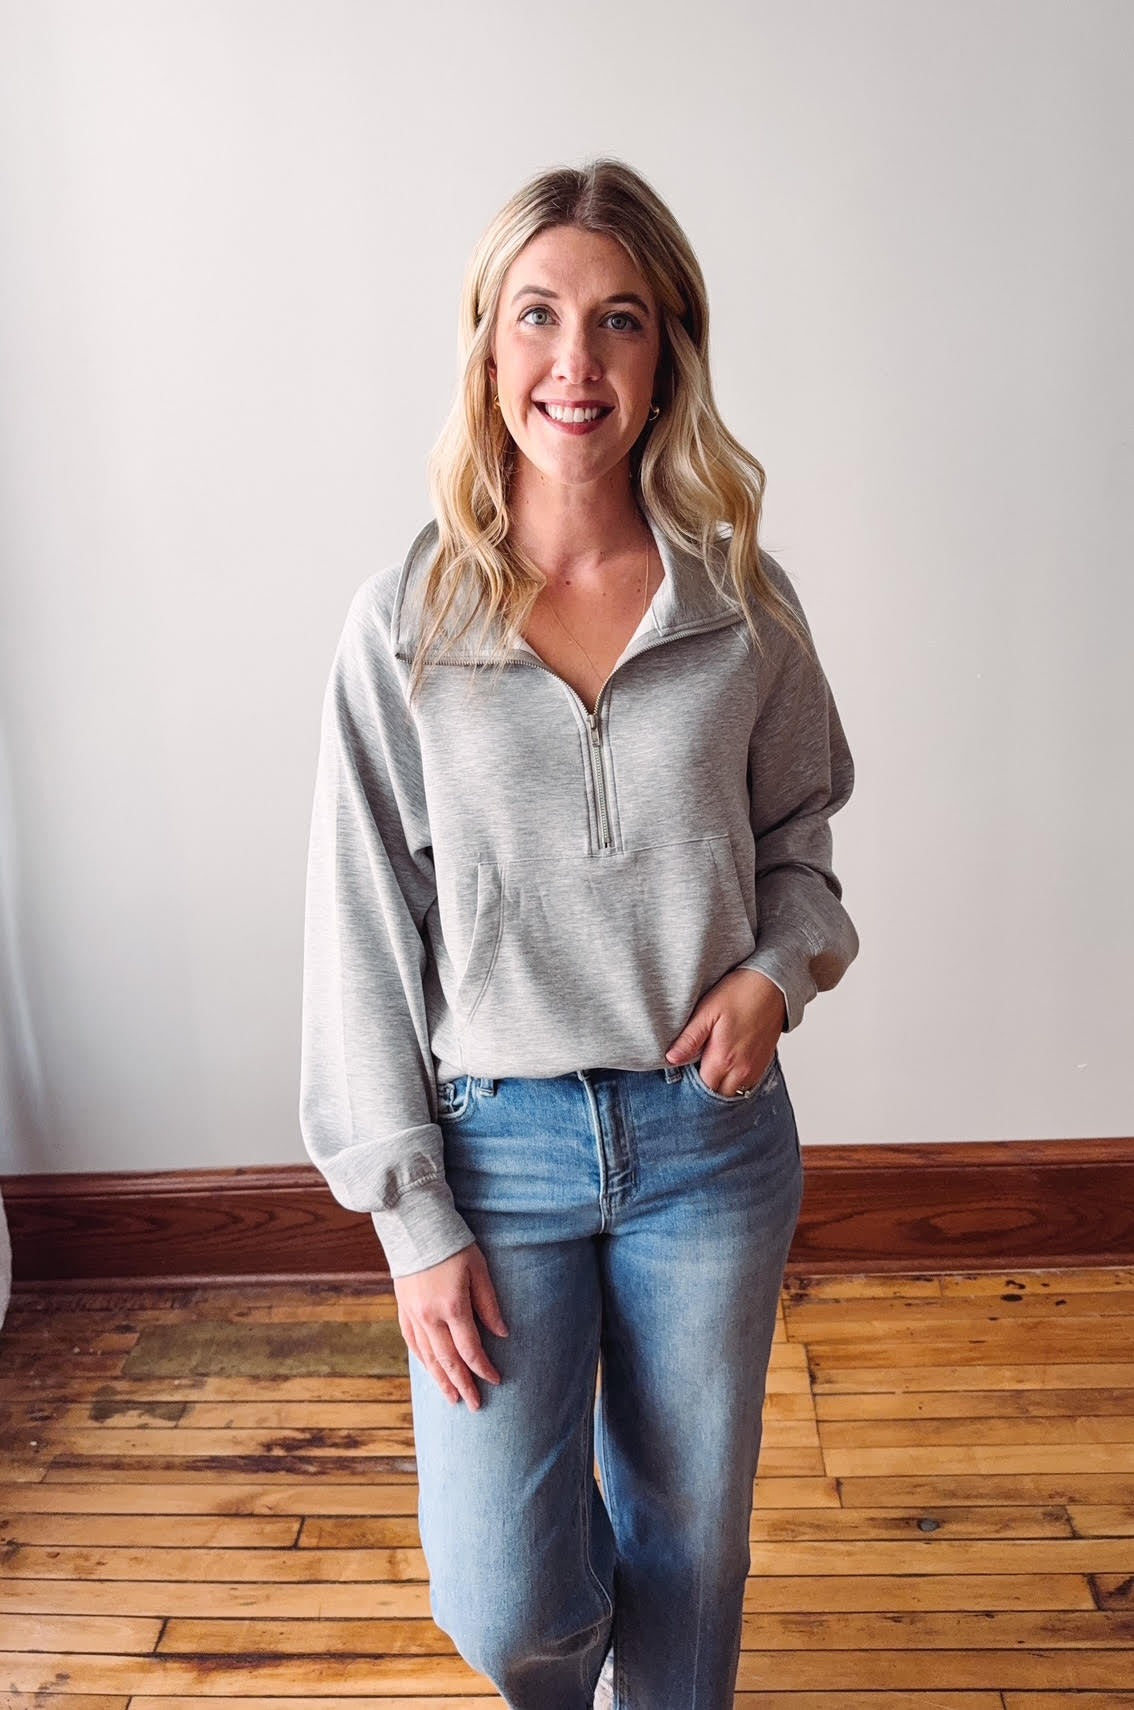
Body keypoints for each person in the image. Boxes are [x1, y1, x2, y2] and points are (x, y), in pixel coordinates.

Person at [299, 157, 859, 1710]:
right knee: (501, 1596)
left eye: (618, 320)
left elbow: (800, 845)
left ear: (666, 351)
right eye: (537, 315)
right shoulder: (404, 620)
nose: (575, 361)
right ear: (485, 347)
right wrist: (409, 1216)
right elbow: (358, 932)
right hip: (496, 1150)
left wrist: (772, 972)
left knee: (691, 1544)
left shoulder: (744, 605)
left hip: (709, 1143)